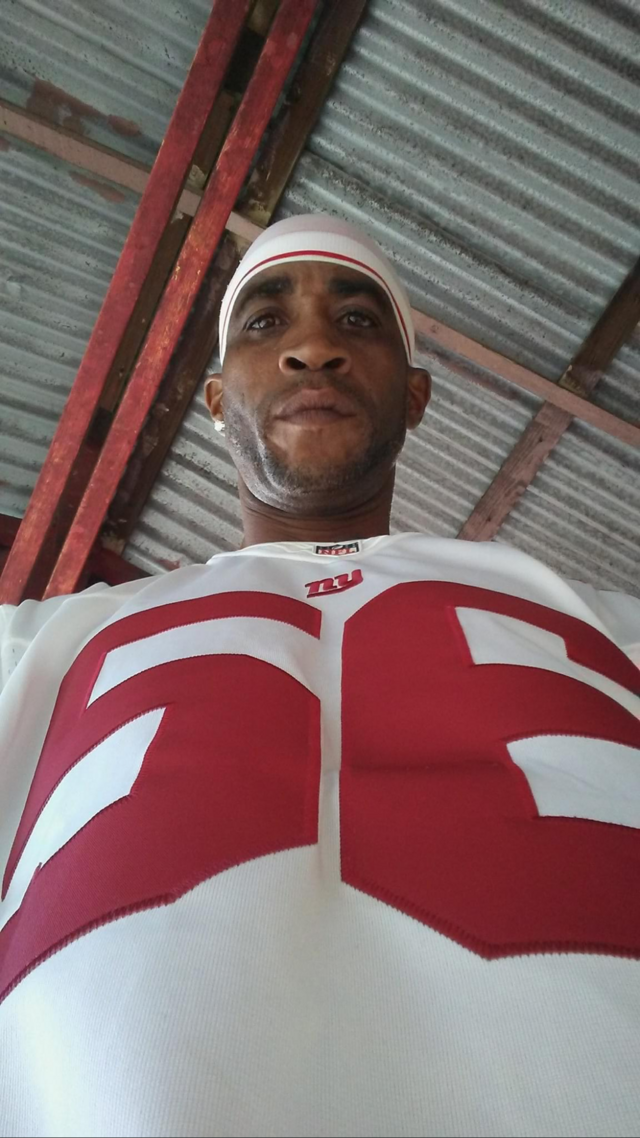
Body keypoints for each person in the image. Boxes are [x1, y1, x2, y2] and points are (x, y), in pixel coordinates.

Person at [0, 214, 639, 1138]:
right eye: (266, 322)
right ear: (215, 399)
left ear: (414, 396)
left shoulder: (604, 621)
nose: (312, 348)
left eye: (357, 321)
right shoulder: (40, 643)